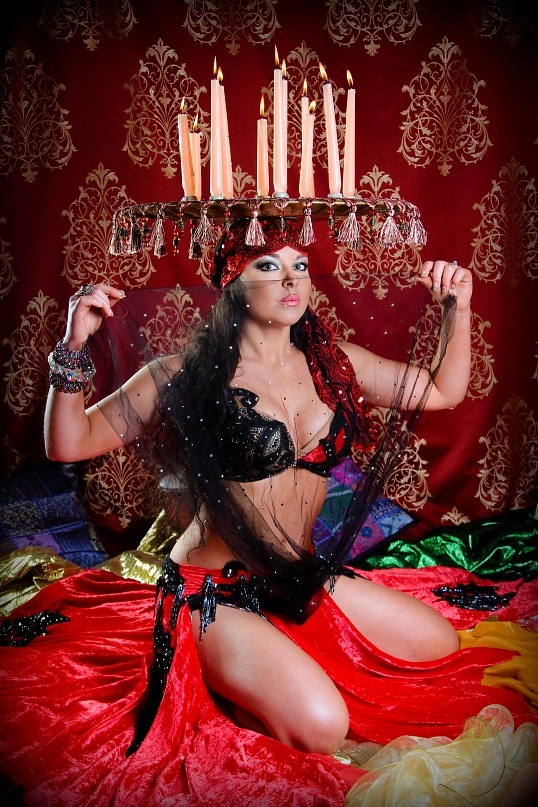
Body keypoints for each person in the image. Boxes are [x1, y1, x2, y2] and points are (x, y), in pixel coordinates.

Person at [1, 217, 536, 806]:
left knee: (439, 645)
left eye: (299, 266)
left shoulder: (335, 365)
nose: (291, 281)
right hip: (212, 594)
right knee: (322, 726)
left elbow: (441, 391)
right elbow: (68, 443)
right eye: (268, 265)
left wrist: (457, 310)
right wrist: (73, 347)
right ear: (232, 281)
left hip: (296, 579)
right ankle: (225, 681)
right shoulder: (185, 374)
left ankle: (272, 658)